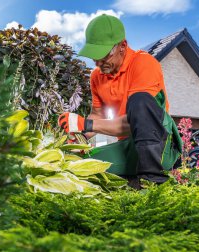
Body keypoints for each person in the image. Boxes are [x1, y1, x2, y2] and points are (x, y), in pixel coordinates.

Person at [58, 14, 182, 189]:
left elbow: (137, 122)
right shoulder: (97, 76)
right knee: (83, 164)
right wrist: (81, 136)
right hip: (128, 146)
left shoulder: (144, 63)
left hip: (161, 144)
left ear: (123, 46)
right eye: (94, 57)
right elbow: (97, 115)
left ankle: (153, 180)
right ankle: (133, 176)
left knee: (139, 101)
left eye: (104, 55)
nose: (99, 63)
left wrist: (85, 124)